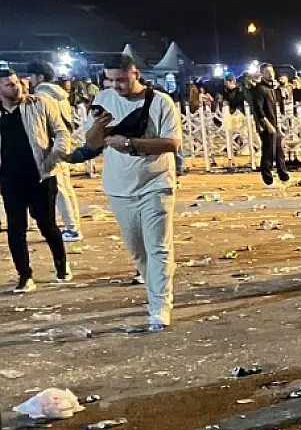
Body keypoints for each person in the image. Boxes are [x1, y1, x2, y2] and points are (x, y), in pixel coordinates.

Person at [83, 55, 183, 332]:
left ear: (135, 74)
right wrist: (98, 127)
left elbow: (173, 143)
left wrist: (131, 143)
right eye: (110, 80)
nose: (116, 85)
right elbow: (92, 144)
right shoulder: (103, 98)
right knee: (138, 251)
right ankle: (153, 290)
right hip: (118, 188)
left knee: (158, 247)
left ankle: (159, 308)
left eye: (122, 79)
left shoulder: (161, 102)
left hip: (156, 183)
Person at [0, 68, 73, 292]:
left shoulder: (39, 103)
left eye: (17, 83)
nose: (17, 88)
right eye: (9, 85)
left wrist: (54, 156)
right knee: (16, 228)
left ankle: (61, 265)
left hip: (41, 175)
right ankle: (24, 275)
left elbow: (62, 131)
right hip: (9, 179)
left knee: (47, 225)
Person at [24, 62, 83, 241]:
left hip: (51, 148)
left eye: (31, 76)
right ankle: (73, 225)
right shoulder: (60, 96)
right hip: (63, 146)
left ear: (39, 77)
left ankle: (72, 229)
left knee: (59, 190)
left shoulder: (41, 97)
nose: (28, 80)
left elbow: (42, 128)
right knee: (65, 188)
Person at [249, 66, 289, 186]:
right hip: (266, 125)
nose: (271, 74)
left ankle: (284, 176)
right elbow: (258, 109)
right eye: (267, 72)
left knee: (279, 151)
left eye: (272, 72)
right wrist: (267, 124)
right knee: (268, 152)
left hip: (275, 123)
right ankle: (267, 179)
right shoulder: (259, 89)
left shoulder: (272, 88)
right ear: (262, 74)